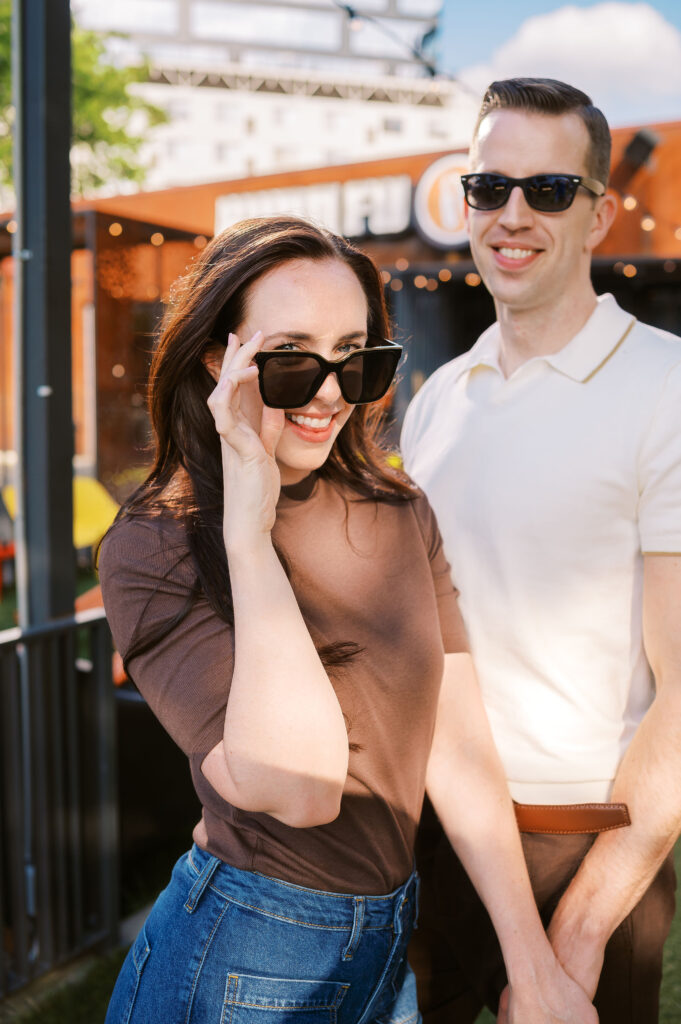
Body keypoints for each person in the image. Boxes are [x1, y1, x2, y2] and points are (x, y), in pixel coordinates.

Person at [99, 215, 596, 1024]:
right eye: (292, 357)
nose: (329, 392)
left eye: (354, 356)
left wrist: (531, 965)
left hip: (386, 948)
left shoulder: (396, 509)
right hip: (245, 954)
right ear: (217, 359)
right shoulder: (156, 545)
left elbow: (458, 748)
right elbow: (299, 790)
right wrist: (249, 536)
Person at [401, 78, 681, 1024]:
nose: (511, 215)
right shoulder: (440, 397)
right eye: (488, 187)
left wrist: (577, 937)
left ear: (598, 214)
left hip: (585, 840)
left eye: (548, 190)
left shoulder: (664, 387)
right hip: (434, 827)